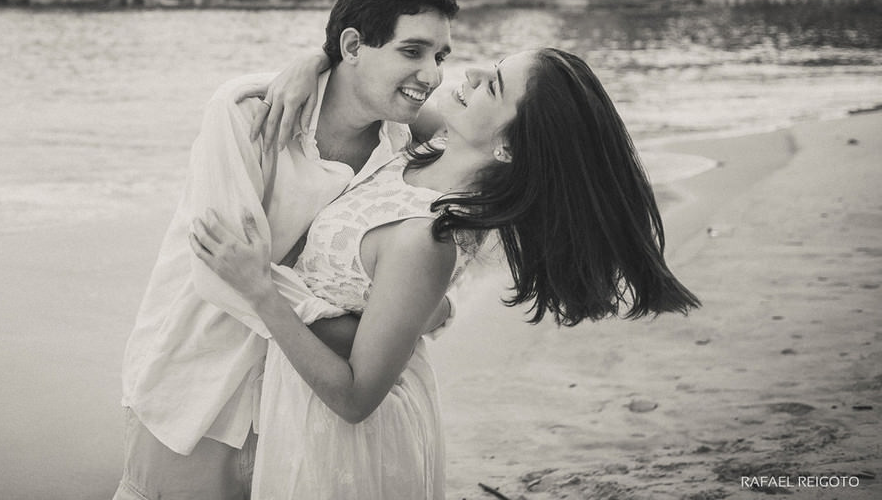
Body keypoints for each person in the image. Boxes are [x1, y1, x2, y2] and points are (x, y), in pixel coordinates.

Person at [191, 47, 701, 499]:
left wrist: (261, 292)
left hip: (347, 435)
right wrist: (315, 60)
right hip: (301, 396)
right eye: (493, 66)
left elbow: (354, 398)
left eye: (493, 85)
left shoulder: (427, 235)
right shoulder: (436, 143)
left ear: (510, 148)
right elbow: (370, 80)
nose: (474, 72)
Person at [114, 0, 460, 500]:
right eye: (413, 51)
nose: (433, 74)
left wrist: (411, 312)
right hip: (205, 385)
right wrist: (374, 326)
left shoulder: (406, 145)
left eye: (440, 56)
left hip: (308, 405)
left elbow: (437, 275)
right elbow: (220, 271)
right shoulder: (248, 112)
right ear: (352, 46)